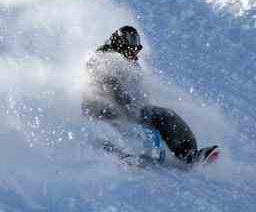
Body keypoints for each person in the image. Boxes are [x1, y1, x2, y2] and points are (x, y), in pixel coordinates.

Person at [82, 26, 218, 166]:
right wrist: (127, 103)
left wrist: (135, 104)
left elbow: (137, 93)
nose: (136, 51)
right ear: (121, 44)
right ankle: (122, 154)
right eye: (133, 45)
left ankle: (188, 153)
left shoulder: (128, 64)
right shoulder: (105, 58)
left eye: (137, 46)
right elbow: (107, 84)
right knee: (161, 116)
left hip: (123, 108)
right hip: (101, 109)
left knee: (163, 115)